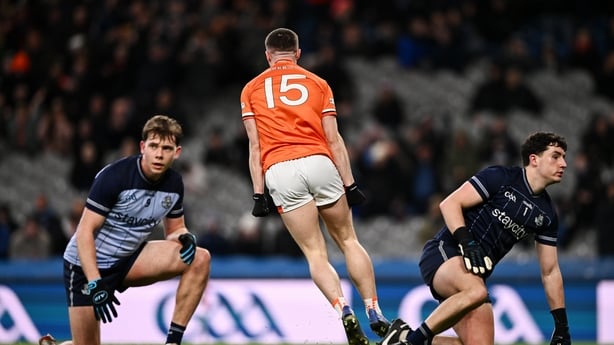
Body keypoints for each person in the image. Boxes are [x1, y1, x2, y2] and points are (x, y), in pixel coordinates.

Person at [240, 27, 390, 345]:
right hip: (319, 161)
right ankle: (373, 309)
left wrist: (258, 193)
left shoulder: (250, 89)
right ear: (298, 53)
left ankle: (343, 310)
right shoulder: (318, 83)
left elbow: (255, 148)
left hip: (280, 169)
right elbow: (334, 140)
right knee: (348, 240)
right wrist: (350, 184)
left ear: (267, 56)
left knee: (315, 253)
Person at [378, 132, 571, 345]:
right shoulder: (501, 177)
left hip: (471, 276)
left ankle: (403, 338)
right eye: (556, 156)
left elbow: (550, 271)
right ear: (534, 159)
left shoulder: (547, 214)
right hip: (445, 253)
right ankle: (411, 342)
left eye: (563, 157)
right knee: (477, 291)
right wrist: (467, 243)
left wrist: (561, 326)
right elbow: (449, 204)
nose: (563, 163)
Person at [39, 115, 211, 345]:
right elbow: (84, 232)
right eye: (154, 146)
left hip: (130, 258)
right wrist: (95, 283)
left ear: (177, 152)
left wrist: (185, 236)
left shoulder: (174, 184)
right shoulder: (115, 177)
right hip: (86, 266)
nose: (159, 154)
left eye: (167, 148)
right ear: (143, 147)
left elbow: (175, 229)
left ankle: (173, 341)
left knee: (200, 258)